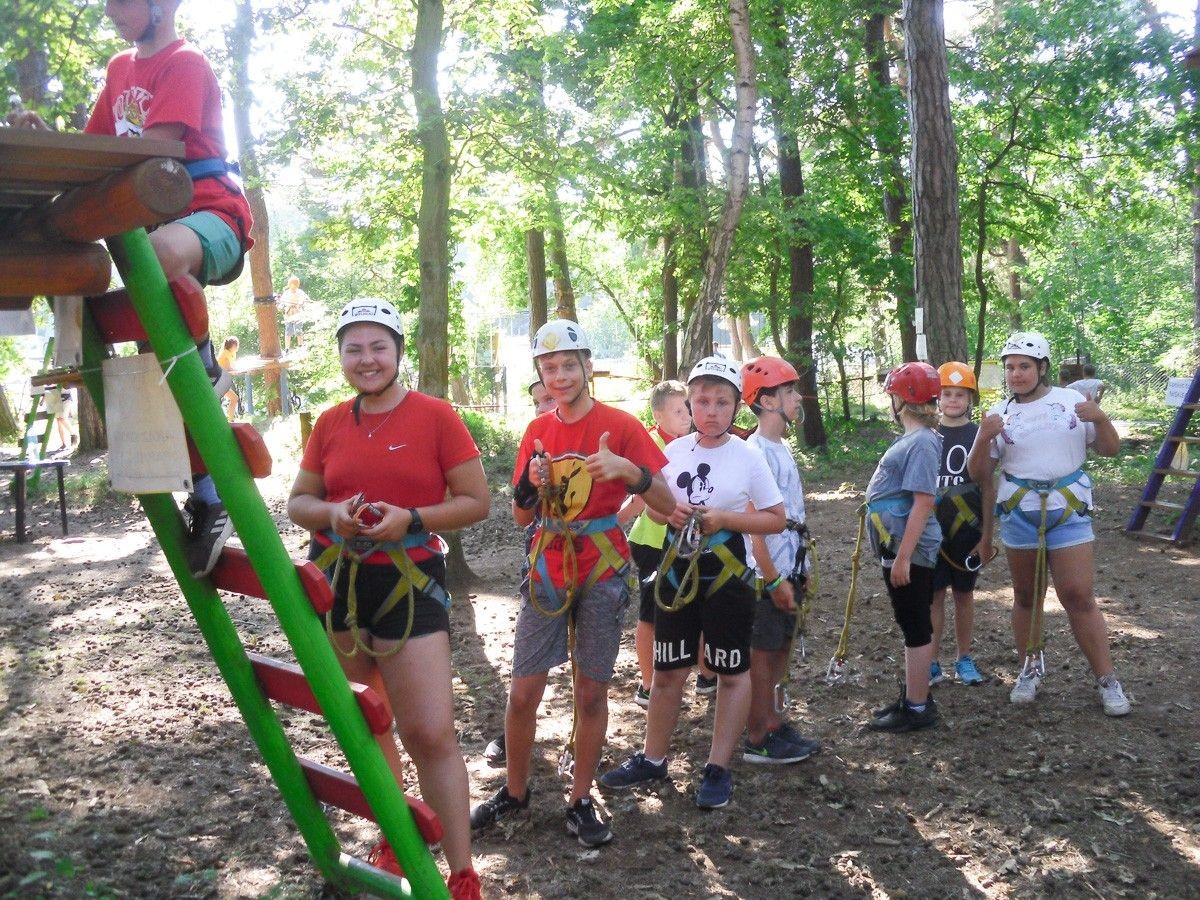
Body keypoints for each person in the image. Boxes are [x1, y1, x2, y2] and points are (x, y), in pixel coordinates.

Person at [14, 0, 254, 578]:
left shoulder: (186, 61)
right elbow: (96, 153)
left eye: (122, 2)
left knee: (165, 255)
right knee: (162, 363)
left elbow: (156, 147)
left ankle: (206, 370)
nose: (110, 12)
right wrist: (49, 141)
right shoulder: (119, 69)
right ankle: (210, 497)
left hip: (211, 218)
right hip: (151, 252)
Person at [287, 299, 489, 898]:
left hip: (411, 584)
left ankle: (461, 871)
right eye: (354, 349)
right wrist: (331, 513)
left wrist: (414, 518)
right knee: (369, 727)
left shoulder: (434, 416)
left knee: (430, 733)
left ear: (398, 352)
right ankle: (396, 841)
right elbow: (299, 501)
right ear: (342, 357)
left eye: (378, 347)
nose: (366, 359)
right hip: (345, 587)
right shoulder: (328, 423)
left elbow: (475, 500)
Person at [470, 319, 674, 848]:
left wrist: (629, 471)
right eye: (548, 368)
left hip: (602, 568)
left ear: (587, 366)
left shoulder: (622, 426)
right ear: (540, 373)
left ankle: (580, 798)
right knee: (523, 693)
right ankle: (515, 792)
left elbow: (668, 505)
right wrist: (529, 485)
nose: (559, 376)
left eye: (568, 365)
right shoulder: (537, 432)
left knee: (590, 693)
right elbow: (520, 517)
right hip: (548, 567)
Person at [599, 357, 785, 810]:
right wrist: (668, 512)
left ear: (737, 406)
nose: (711, 410)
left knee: (730, 672)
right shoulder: (674, 453)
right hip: (677, 573)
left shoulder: (748, 455)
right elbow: (653, 502)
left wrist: (723, 518)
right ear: (690, 403)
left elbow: (775, 518)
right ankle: (653, 757)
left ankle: (718, 767)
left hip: (726, 577)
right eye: (702, 400)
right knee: (668, 671)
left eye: (722, 401)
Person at [967, 332, 1131, 717]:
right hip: (1021, 512)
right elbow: (980, 474)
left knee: (1077, 594)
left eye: (1024, 367)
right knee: (1026, 596)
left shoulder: (1072, 402)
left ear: (1041, 368)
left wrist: (1102, 419)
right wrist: (981, 439)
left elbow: (1109, 449)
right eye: (1010, 368)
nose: (1016, 374)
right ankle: (1030, 667)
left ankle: (1107, 678)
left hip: (1067, 508)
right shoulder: (1000, 413)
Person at [739, 357, 821, 764]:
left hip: (790, 566)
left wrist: (795, 572)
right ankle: (757, 732)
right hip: (765, 573)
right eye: (788, 391)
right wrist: (773, 579)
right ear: (767, 401)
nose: (796, 397)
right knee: (763, 651)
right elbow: (756, 528)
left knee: (780, 647)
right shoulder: (755, 452)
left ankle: (774, 720)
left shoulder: (779, 448)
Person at [482, 376, 558, 768]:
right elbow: (519, 515)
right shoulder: (533, 440)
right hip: (542, 560)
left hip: (592, 565)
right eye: (537, 401)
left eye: (549, 399)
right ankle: (515, 734)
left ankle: (581, 742)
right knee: (529, 663)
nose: (543, 407)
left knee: (589, 669)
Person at [863, 362, 943, 733]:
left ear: (903, 400)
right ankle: (913, 696)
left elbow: (923, 502)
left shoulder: (923, 442)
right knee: (909, 620)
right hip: (897, 546)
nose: (890, 403)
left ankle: (917, 706)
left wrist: (904, 557)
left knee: (914, 624)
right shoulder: (915, 440)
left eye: (893, 396)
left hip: (908, 549)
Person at [617, 379, 691, 708]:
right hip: (651, 542)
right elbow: (638, 498)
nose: (686, 415)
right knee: (650, 614)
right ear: (658, 415)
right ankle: (647, 685)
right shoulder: (649, 444)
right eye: (678, 410)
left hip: (683, 542)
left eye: (687, 408)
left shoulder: (690, 443)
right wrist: (613, 522)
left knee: (681, 609)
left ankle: (697, 677)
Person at [928, 362, 993, 687]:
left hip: (967, 533)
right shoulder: (926, 435)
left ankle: (964, 658)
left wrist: (987, 537)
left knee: (964, 595)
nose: (953, 400)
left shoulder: (979, 436)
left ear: (970, 399)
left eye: (960, 394)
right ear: (937, 398)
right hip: (931, 534)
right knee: (935, 595)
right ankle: (932, 661)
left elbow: (987, 487)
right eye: (946, 394)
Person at [278, 275, 312, 351]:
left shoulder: (301, 293)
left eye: (295, 284)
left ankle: (300, 347)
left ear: (297, 285)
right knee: (288, 331)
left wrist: (300, 304)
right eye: (291, 284)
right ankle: (287, 349)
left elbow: (305, 300)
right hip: (289, 315)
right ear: (289, 284)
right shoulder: (286, 293)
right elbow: (281, 304)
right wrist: (282, 306)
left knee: (298, 330)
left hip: (298, 315)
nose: (293, 286)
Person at [216, 336, 239, 423]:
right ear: (232, 346)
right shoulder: (226, 354)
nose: (237, 347)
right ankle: (229, 420)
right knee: (234, 398)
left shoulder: (231, 354)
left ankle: (230, 420)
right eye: (236, 345)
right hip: (219, 381)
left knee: (234, 398)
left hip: (221, 381)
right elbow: (228, 368)